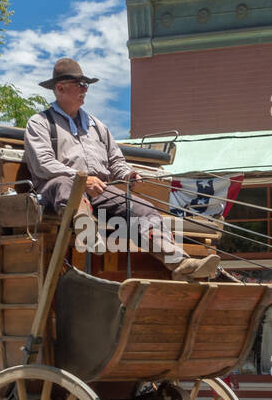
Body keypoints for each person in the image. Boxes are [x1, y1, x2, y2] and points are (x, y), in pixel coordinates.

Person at [22, 58, 218, 280]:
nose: (84, 89)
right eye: (80, 84)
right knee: (65, 184)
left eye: (86, 84)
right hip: (57, 190)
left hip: (100, 190)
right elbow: (43, 163)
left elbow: (116, 161)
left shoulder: (98, 126)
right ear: (60, 88)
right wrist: (82, 180)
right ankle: (87, 233)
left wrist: (127, 174)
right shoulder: (40, 123)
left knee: (145, 210)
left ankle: (180, 263)